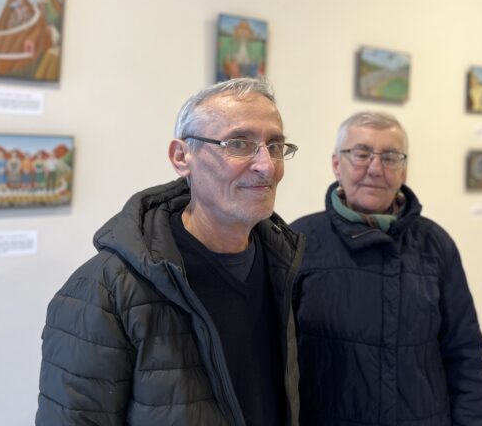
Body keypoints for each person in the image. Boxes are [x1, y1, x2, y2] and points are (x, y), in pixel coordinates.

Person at [36, 78, 305, 426]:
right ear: (182, 158)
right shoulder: (105, 289)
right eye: (239, 144)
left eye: (275, 145)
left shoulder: (284, 264)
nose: (266, 166)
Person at [292, 112, 482, 426]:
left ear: (404, 170)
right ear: (335, 164)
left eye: (390, 156)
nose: (374, 168)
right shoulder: (299, 242)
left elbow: (464, 354)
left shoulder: (436, 245)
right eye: (361, 154)